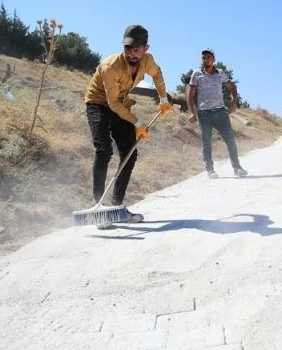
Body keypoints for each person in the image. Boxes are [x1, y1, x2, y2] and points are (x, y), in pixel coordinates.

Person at [84, 24, 172, 226]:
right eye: (128, 48)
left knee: (130, 153)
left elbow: (157, 74)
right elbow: (112, 104)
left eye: (137, 50)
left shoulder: (147, 61)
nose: (131, 53)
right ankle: (98, 206)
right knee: (104, 150)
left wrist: (163, 98)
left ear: (145, 49)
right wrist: (138, 122)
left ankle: (117, 207)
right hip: (98, 104)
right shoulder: (110, 66)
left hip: (121, 104)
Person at [186, 48, 247, 178]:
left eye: (208, 57)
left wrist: (233, 103)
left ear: (214, 59)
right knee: (207, 142)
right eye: (203, 58)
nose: (206, 60)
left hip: (220, 112)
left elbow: (232, 87)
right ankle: (210, 170)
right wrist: (192, 112)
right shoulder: (196, 74)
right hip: (204, 113)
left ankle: (237, 168)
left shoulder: (220, 73)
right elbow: (190, 94)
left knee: (230, 140)